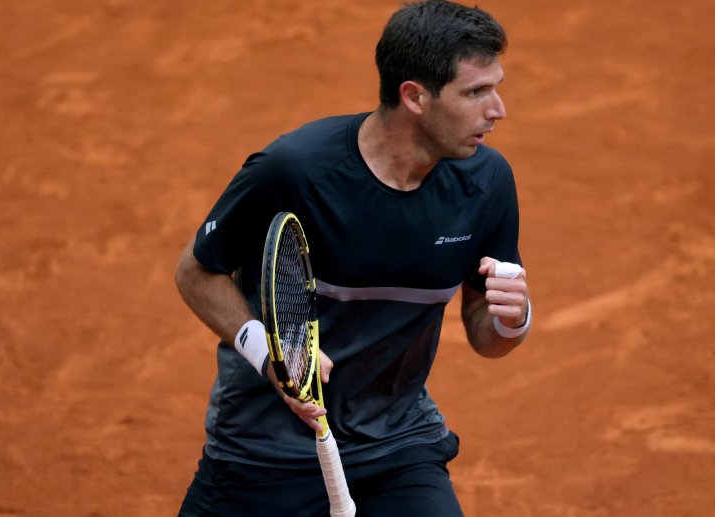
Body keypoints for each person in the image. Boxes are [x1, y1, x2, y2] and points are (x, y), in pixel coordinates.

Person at [174, 1, 530, 515]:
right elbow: (196, 271)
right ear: (414, 96)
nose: (497, 109)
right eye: (475, 92)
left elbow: (486, 336)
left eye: (495, 88)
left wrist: (512, 320)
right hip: (263, 451)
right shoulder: (295, 170)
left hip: (396, 444)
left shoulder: (486, 183)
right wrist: (272, 356)